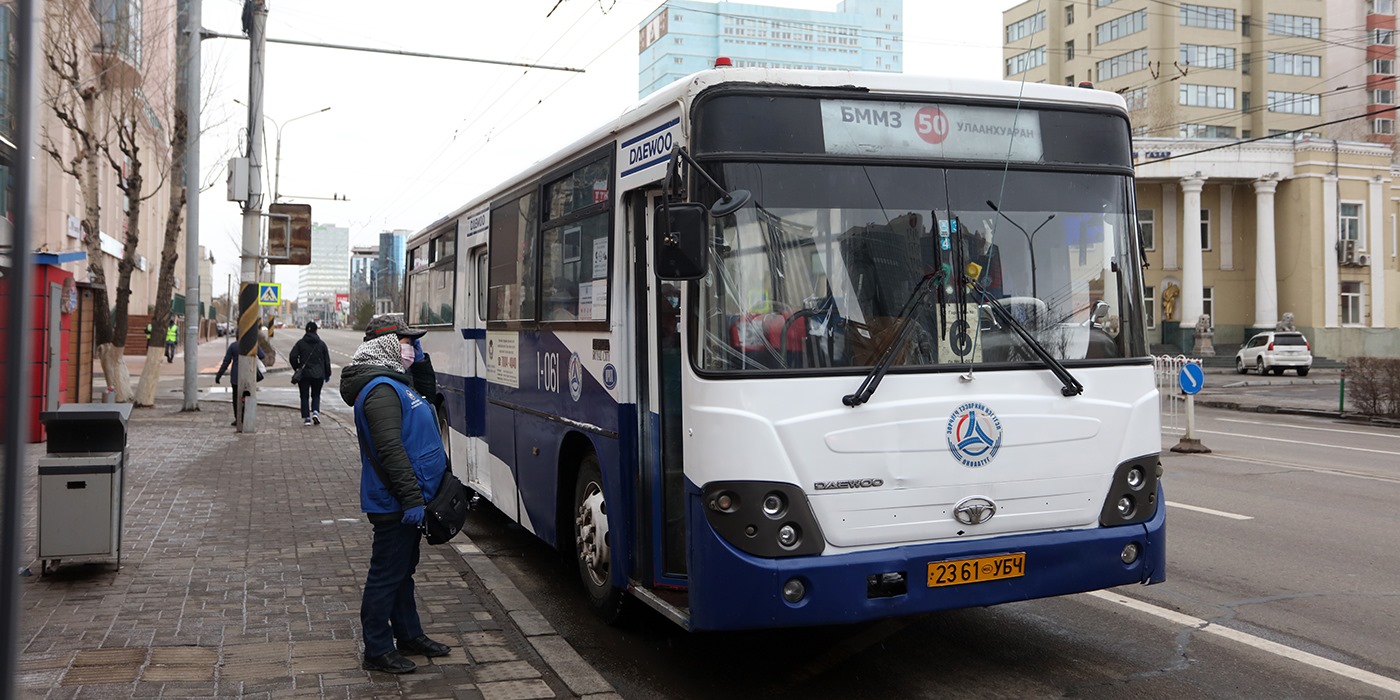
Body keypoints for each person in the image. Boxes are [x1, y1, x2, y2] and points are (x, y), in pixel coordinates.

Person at [340, 315, 451, 674]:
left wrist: (422, 362)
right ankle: (376, 648)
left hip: (407, 497)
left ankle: (409, 635)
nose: (411, 348)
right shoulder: (380, 391)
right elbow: (390, 450)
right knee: (386, 574)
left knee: (403, 572)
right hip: (396, 502)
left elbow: (425, 398)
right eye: (406, 343)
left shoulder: (393, 382)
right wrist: (412, 500)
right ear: (387, 346)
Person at [289, 321, 333, 426]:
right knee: (316, 394)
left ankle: (307, 418)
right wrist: (327, 374)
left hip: (304, 374)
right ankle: (316, 413)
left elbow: (292, 357)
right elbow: (327, 361)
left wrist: (297, 367)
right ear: (316, 330)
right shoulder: (321, 344)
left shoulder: (300, 343)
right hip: (318, 374)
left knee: (304, 396)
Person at [214, 341, 266, 426]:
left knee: (236, 398)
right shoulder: (252, 344)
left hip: (236, 376)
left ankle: (238, 418)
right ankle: (246, 416)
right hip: (249, 374)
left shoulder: (233, 346)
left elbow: (226, 361)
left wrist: (219, 375)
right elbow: (262, 355)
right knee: (248, 395)